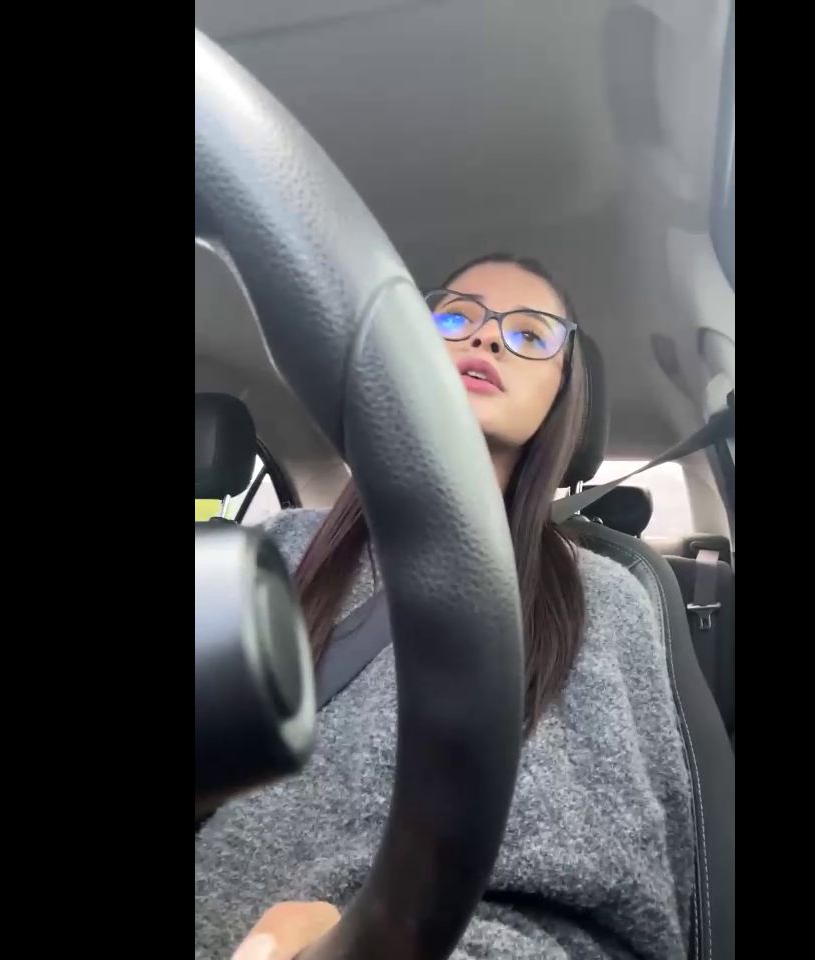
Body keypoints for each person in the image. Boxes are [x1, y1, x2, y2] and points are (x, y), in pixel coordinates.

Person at [195, 254, 695, 960]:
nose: (485, 337)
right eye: (455, 319)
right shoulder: (282, 545)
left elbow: (624, 917)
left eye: (529, 334)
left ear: (563, 394)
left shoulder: (606, 597)